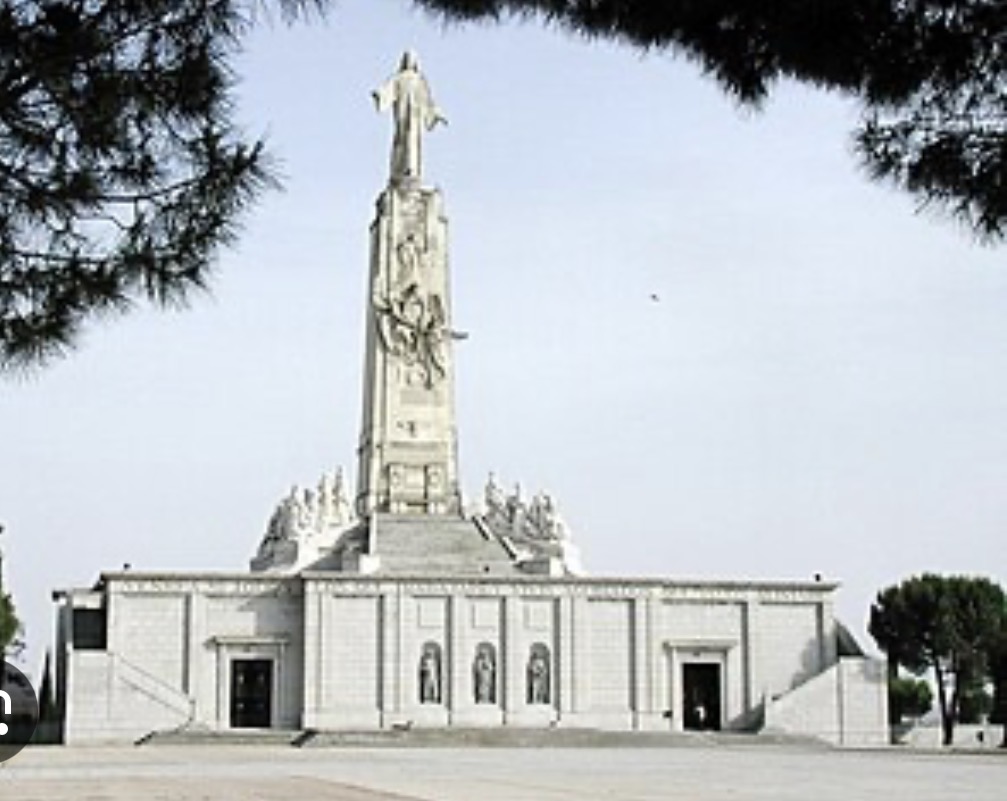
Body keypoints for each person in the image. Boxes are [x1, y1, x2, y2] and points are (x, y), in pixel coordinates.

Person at [373, 51, 446, 182]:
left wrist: (436, 113)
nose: (410, 61)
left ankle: (411, 168)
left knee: (412, 139)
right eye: (407, 58)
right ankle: (399, 170)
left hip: (415, 115)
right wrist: (379, 94)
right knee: (402, 139)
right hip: (402, 113)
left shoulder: (419, 79)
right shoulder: (398, 78)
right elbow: (387, 90)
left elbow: (428, 101)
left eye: (412, 58)